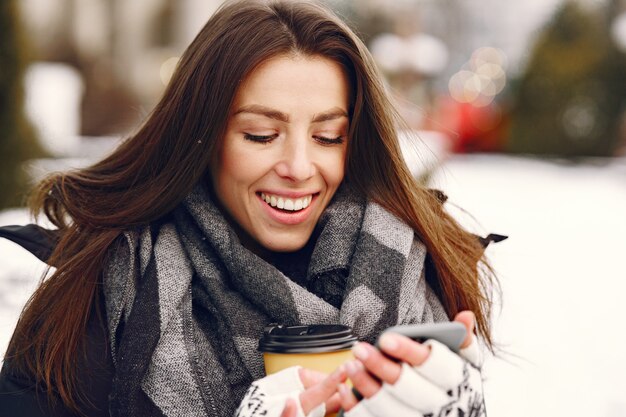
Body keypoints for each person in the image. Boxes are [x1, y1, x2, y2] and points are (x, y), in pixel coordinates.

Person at [0, 1, 504, 416]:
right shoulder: (102, 289)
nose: (300, 166)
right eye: (261, 135)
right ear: (203, 136)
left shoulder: (418, 273)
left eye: (328, 137)